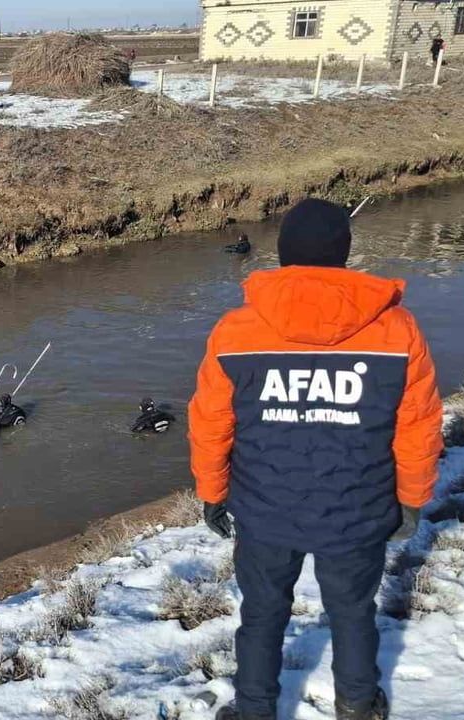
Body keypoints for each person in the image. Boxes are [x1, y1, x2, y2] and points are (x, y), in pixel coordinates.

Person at [189, 198, 442, 720]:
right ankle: (356, 704)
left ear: (282, 254)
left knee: (261, 614)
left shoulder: (236, 330)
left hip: (265, 510)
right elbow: (417, 426)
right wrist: (412, 499)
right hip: (358, 508)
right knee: (353, 612)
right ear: (344, 254)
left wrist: (213, 492)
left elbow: (211, 423)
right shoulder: (398, 331)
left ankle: (255, 710)